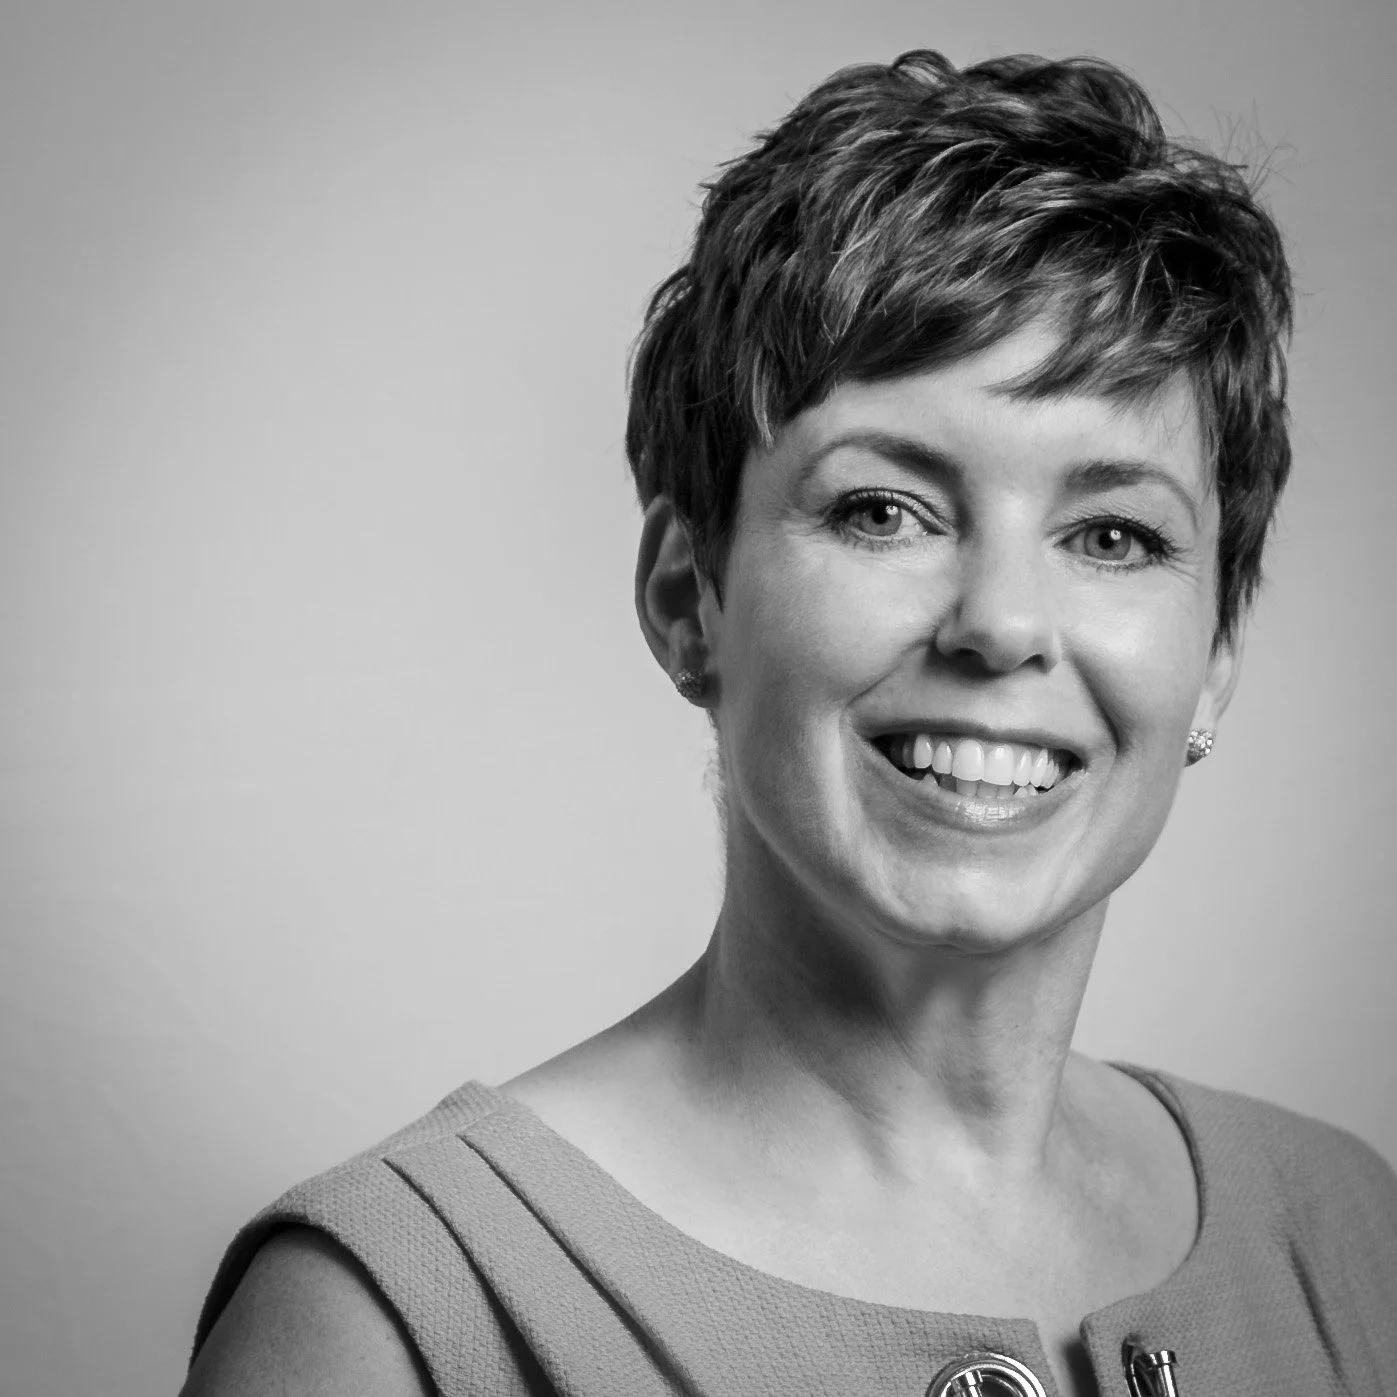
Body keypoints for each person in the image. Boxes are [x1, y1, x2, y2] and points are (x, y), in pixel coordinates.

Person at [182, 49, 1397, 1397]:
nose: (1001, 624)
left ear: (1217, 653)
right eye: (884, 511)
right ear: (687, 598)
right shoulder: (390, 1320)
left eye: (1113, 535)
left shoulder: (1352, 1238)